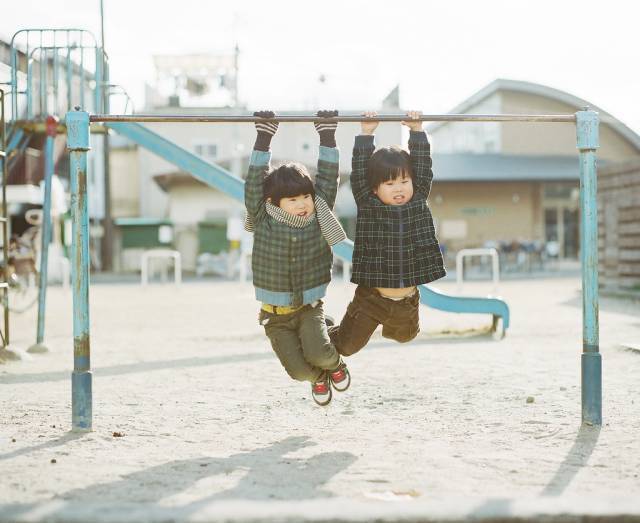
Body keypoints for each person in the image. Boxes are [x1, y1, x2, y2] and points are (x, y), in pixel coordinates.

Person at [244, 110, 350, 406]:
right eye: (293, 199)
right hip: (275, 317)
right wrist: (263, 138)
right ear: (272, 202)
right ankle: (318, 378)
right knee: (299, 372)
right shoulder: (262, 217)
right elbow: (253, 183)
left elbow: (328, 179)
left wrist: (327, 135)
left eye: (305, 196)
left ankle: (335, 365)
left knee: (320, 355)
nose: (303, 204)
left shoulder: (318, 214)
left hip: (308, 306)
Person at [328, 111, 446, 356]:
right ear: (375, 188)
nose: (399, 189)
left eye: (404, 181)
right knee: (346, 347)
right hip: (372, 299)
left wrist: (416, 131)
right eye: (390, 184)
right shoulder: (369, 205)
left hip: (406, 300)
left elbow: (423, 167)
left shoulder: (418, 199)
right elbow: (359, 175)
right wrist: (366, 134)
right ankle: (324, 330)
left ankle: (383, 326)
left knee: (405, 336)